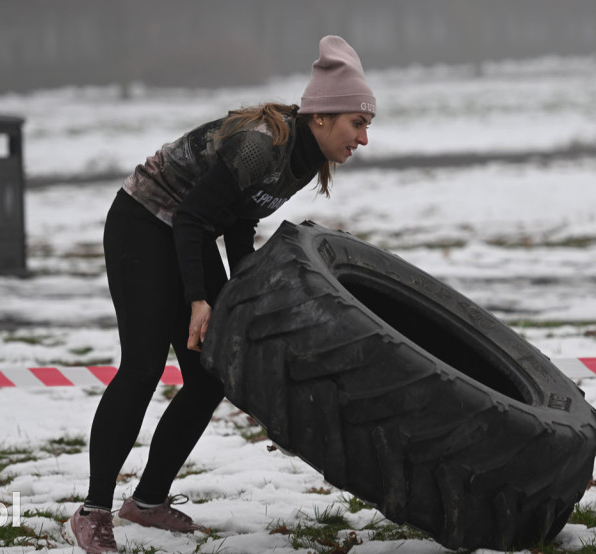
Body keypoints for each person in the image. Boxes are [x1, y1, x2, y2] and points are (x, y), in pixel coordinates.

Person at [69, 35, 376, 553]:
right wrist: (199, 299)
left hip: (187, 231)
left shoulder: (306, 159)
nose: (364, 139)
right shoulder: (263, 144)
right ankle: (92, 511)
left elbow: (237, 221)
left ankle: (146, 502)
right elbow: (190, 215)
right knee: (143, 366)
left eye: (368, 126)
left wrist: (242, 297)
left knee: (209, 375)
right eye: (358, 124)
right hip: (142, 221)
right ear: (322, 116)